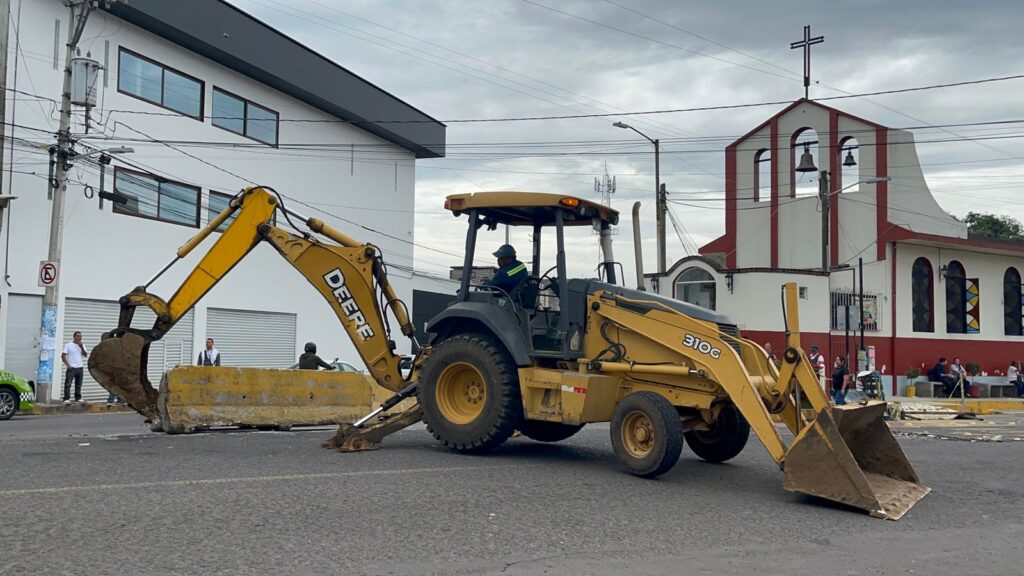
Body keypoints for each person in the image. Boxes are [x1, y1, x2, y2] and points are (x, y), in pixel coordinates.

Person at [61, 331, 88, 406]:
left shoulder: (82, 345)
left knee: (78, 384)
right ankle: (66, 399)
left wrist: (81, 346)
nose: (79, 338)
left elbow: (85, 355)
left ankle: (78, 398)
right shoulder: (68, 345)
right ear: (74, 337)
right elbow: (63, 356)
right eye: (78, 336)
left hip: (80, 368)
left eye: (80, 336)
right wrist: (68, 365)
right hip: (71, 368)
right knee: (68, 384)